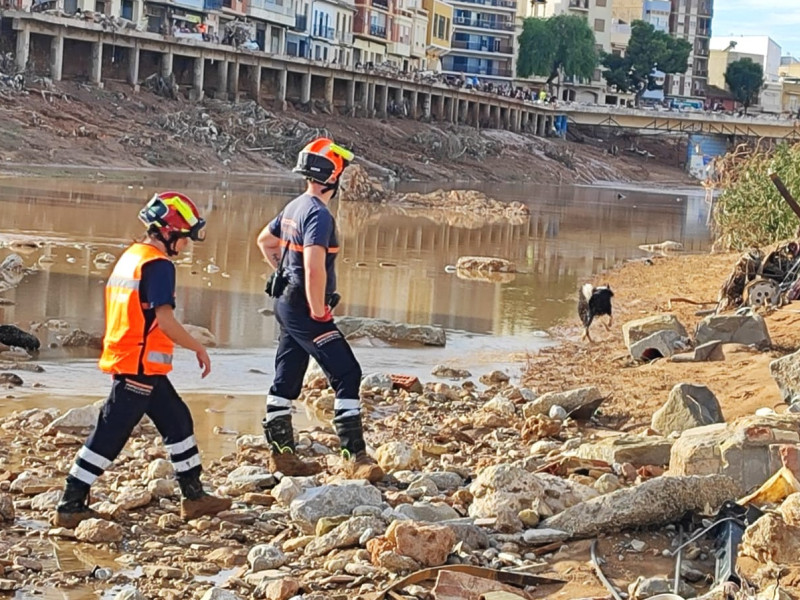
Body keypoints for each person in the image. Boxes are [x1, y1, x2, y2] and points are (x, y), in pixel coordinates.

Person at [53, 192, 232, 528]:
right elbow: (164, 321)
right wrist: (198, 347)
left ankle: (194, 496)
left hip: (137, 361)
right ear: (168, 233)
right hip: (138, 364)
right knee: (111, 432)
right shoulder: (159, 265)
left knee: (177, 419)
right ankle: (70, 502)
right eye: (185, 239)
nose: (187, 246)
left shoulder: (132, 256)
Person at [256, 138, 384, 483]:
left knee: (288, 375)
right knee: (347, 373)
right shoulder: (318, 215)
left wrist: (281, 271)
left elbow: (265, 242)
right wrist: (318, 309)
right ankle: (354, 456)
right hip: (303, 307)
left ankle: (282, 456)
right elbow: (314, 266)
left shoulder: (296, 206)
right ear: (332, 177)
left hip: (285, 302)